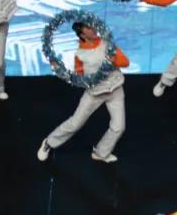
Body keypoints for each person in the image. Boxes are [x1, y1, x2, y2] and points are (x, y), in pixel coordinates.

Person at [36, 21, 129, 163]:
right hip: (95, 93)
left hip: (115, 89)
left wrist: (114, 59)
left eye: (92, 26)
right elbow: (78, 77)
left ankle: (101, 153)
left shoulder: (107, 44)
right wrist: (60, 70)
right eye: (89, 28)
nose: (93, 29)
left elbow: (125, 62)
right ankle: (49, 143)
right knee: (75, 123)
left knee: (119, 127)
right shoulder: (80, 55)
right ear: (82, 35)